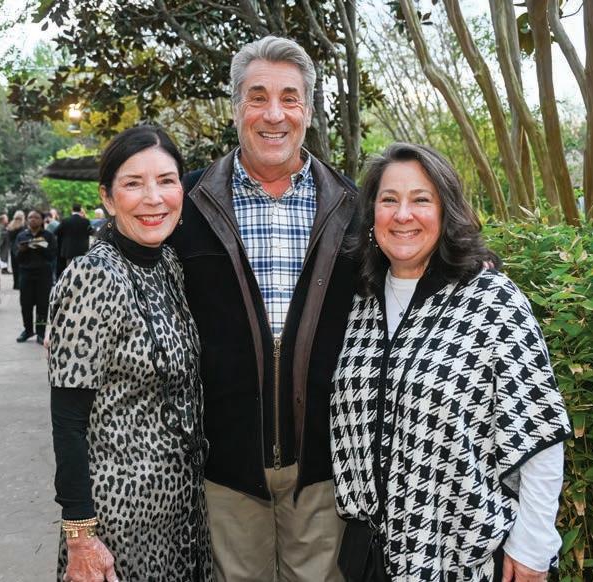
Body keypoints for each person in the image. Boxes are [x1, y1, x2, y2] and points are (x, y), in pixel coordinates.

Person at [330, 143, 572, 581]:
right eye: (389, 200)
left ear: (446, 212)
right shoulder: (359, 302)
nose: (403, 215)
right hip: (370, 557)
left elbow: (539, 431)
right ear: (372, 215)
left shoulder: (491, 300)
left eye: (421, 199)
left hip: (463, 556)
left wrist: (533, 546)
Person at [167, 36, 359, 581]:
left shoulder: (353, 207)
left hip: (322, 468)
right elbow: (131, 260)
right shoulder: (186, 204)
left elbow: (415, 259)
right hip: (226, 466)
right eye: (258, 97)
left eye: (289, 98)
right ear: (235, 109)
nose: (274, 114)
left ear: (309, 111)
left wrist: (475, 264)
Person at [48, 125, 213, 581]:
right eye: (134, 183)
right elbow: (68, 421)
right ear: (108, 197)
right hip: (118, 522)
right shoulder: (93, 276)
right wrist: (81, 536)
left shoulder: (169, 265)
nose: (153, 198)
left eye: (166, 180)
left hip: (182, 512)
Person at [15, 209, 56, 343]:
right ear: (27, 220)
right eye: (30, 217)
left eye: (36, 217)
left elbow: (52, 256)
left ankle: (40, 332)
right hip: (26, 274)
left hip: (43, 274)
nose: (33, 219)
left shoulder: (48, 236)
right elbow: (17, 258)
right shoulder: (22, 236)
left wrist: (41, 246)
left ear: (42, 220)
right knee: (25, 305)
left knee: (42, 305)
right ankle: (28, 330)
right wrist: (22, 250)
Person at [55, 203, 93, 276]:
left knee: (69, 272)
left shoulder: (65, 221)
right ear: (80, 210)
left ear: (72, 210)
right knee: (80, 272)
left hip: (68, 251)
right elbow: (91, 232)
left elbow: (56, 232)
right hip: (82, 251)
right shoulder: (86, 221)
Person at [7, 210, 26, 289]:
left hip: (13, 249)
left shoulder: (11, 225)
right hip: (20, 248)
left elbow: (9, 237)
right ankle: (20, 283)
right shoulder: (23, 226)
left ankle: (15, 284)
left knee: (14, 267)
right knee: (20, 266)